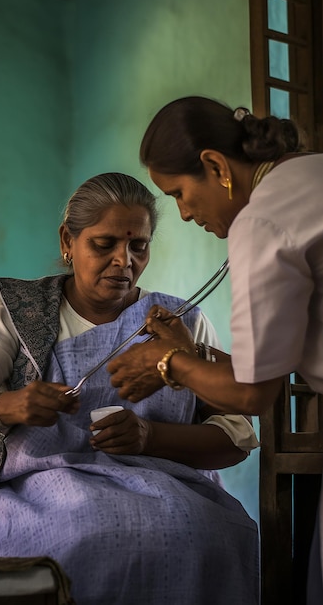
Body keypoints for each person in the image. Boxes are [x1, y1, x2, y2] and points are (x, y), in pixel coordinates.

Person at [0, 172, 260, 605]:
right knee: (86, 532)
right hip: (39, 490)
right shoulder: (18, 313)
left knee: (218, 535)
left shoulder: (181, 323)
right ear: (68, 240)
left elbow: (235, 439)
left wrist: (151, 437)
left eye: (138, 246)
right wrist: (10, 405)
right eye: (104, 245)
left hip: (170, 490)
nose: (124, 261)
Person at [106, 97, 323, 603]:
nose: (182, 213)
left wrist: (167, 364)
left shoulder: (262, 220)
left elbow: (251, 394)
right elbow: (268, 365)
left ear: (216, 166)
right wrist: (190, 353)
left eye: (180, 193)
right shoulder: (310, 175)